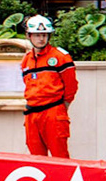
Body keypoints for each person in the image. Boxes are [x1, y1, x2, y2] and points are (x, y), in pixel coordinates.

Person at [20, 14, 79, 159]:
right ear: (28, 36)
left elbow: (71, 86)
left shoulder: (60, 57)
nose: (41, 39)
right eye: (37, 35)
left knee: (60, 157)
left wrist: (61, 108)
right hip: (32, 115)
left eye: (44, 35)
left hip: (53, 112)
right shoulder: (26, 60)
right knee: (36, 158)